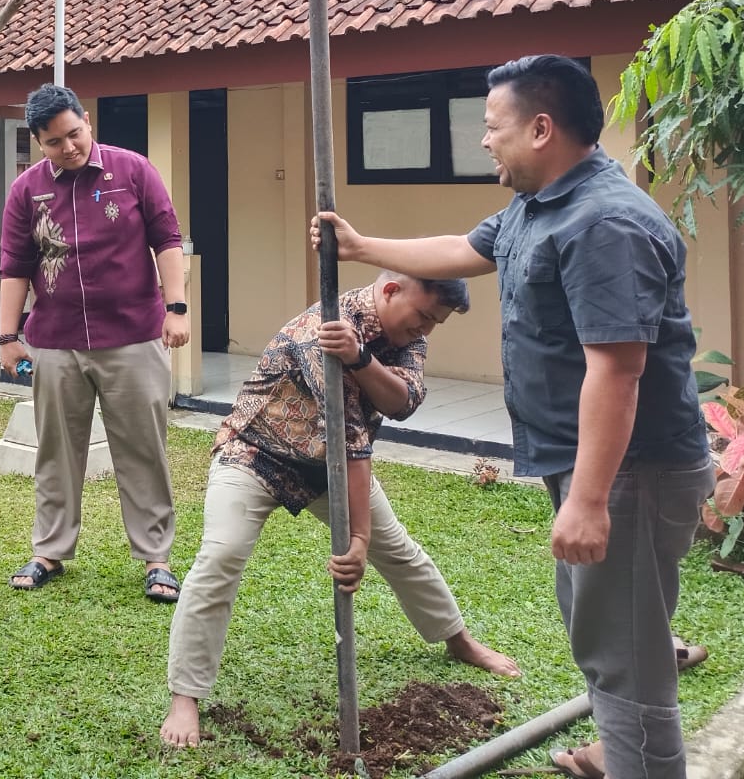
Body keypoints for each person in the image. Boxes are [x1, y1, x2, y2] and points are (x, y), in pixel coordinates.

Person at [313, 55, 712, 779]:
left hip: (630, 470)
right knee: (605, 628)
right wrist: (362, 247)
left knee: (623, 646)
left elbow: (617, 370)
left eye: (491, 128)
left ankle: (643, 762)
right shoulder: (542, 203)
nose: (482, 141)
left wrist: (590, 500)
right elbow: (462, 251)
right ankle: (615, 751)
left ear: (539, 127)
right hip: (592, 461)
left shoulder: (603, 223)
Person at [160, 273, 520, 748]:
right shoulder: (325, 329)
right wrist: (358, 540)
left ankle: (459, 640)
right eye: (423, 317)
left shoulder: (405, 332)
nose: (426, 331)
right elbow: (351, 436)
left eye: (436, 322)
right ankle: (185, 696)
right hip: (255, 453)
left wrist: (362, 359)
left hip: (326, 467)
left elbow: (404, 401)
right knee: (220, 556)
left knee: (398, 551)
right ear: (391, 290)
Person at [0, 83, 190, 601]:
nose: (69, 147)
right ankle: (50, 550)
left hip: (133, 335)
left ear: (87, 121)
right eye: (55, 141)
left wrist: (176, 308)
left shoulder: (133, 171)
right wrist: (8, 337)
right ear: (38, 142)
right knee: (57, 451)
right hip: (57, 342)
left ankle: (156, 558)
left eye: (74, 133)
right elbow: (15, 268)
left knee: (142, 448)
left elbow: (167, 240)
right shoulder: (27, 190)